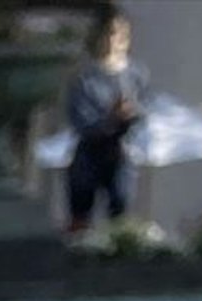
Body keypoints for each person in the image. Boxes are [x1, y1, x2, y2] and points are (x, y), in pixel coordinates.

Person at [60, 6, 148, 232]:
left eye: (118, 34)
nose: (113, 40)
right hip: (89, 156)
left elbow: (144, 113)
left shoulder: (135, 75)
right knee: (81, 211)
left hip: (121, 155)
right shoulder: (83, 79)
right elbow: (82, 122)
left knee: (121, 210)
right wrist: (111, 120)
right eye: (108, 33)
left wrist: (131, 117)